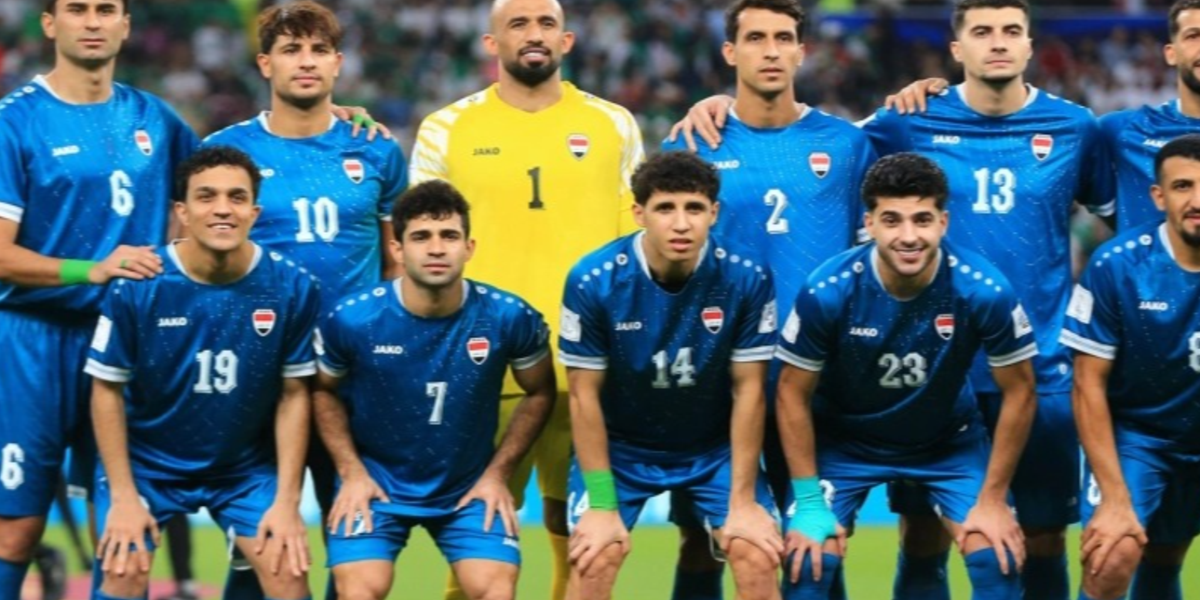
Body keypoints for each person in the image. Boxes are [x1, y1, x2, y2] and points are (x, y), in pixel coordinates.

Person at [671, 2, 1106, 597]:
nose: (998, 43)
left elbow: (1133, 215)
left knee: (1031, 536)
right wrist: (715, 102)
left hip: (1013, 368)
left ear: (1031, 44)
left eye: (1011, 31)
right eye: (982, 31)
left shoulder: (1074, 128)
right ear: (956, 48)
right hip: (802, 374)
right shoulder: (895, 124)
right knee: (756, 541)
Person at [409, 1, 644, 598]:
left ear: (567, 40)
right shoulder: (446, 128)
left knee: (582, 547)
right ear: (491, 42)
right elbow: (423, 252)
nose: (533, 34)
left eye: (545, 23)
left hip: (587, 373)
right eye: (517, 23)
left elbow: (634, 252)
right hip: (483, 372)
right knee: (477, 545)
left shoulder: (614, 124)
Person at [660, 2, 874, 597]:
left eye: (784, 38)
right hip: (720, 381)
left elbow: (869, 261)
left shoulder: (847, 145)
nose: (772, 50)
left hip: (818, 381)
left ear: (803, 51)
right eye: (756, 38)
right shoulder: (692, 144)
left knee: (818, 544)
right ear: (730, 52)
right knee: (704, 541)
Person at [203, 4, 408, 597]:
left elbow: (396, 264)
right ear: (265, 63)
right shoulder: (226, 153)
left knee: (357, 555)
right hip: (262, 381)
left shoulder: (376, 149)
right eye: (291, 50)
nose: (306, 62)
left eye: (319, 50)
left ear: (338, 64)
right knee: (264, 553)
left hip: (354, 381)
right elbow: (197, 266)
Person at [0, 1, 200, 596]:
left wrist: (326, 115)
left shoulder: (156, 119)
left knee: (126, 545)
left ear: (125, 24)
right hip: (31, 343)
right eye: (77, 9)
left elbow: (229, 177)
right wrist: (92, 270)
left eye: (106, 9)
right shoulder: (15, 122)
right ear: (50, 24)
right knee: (14, 532)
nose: (92, 21)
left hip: (129, 344)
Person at [775, 152, 1034, 599]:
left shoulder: (982, 289)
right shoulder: (828, 290)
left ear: (944, 222)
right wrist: (811, 502)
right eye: (892, 220)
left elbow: (1021, 392)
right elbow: (790, 394)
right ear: (870, 223)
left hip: (946, 443)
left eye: (922, 220)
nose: (909, 236)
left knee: (997, 554)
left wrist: (993, 499)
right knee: (808, 561)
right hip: (846, 443)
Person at [85, 145, 317, 600]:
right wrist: (124, 497)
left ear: (254, 212)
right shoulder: (139, 284)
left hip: (243, 470)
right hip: (147, 465)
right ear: (182, 212)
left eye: (236, 197)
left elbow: (294, 395)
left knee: (287, 572)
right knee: (123, 570)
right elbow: (105, 390)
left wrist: (288, 501)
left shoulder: (291, 286)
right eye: (206, 197)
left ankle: (244, 550)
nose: (223, 209)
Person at [313, 180, 556, 600]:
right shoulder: (353, 319)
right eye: (421, 236)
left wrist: (498, 474)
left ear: (469, 247)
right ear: (397, 248)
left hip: (468, 487)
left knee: (494, 588)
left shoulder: (508, 317)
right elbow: (321, 392)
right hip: (376, 485)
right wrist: (351, 473)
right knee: (360, 589)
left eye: (449, 236)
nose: (437, 248)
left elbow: (540, 392)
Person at [561, 151, 782, 600]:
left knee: (756, 553)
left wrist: (742, 502)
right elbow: (584, 397)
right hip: (621, 450)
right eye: (665, 208)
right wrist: (601, 503)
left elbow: (750, 391)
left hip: (714, 450)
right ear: (638, 213)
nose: (681, 224)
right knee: (595, 556)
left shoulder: (746, 277)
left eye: (694, 208)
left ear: (713, 213)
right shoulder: (593, 280)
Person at [1061, 134, 1200, 600]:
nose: (1197, 200)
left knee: (1165, 557)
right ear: (1159, 196)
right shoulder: (1117, 266)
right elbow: (1087, 384)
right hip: (1138, 438)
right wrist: (1116, 498)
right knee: (1113, 554)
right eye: (1182, 186)